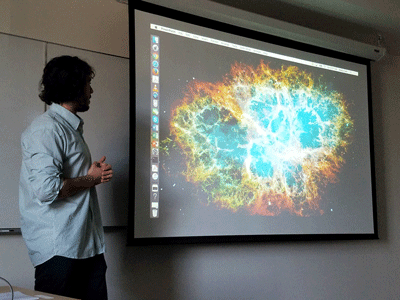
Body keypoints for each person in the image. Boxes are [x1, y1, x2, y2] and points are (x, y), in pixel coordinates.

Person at [19, 55, 113, 300]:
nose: (91, 90)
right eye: (86, 84)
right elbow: (47, 190)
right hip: (60, 253)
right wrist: (91, 179)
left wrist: (91, 175)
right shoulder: (46, 129)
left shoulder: (68, 129)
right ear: (73, 86)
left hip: (85, 247)